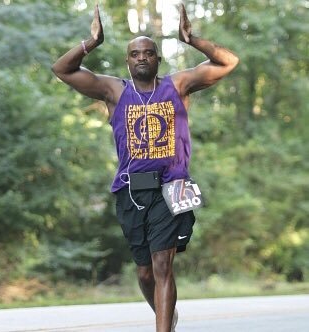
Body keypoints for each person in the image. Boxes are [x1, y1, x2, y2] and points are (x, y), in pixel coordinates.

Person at [52, 3, 239, 332]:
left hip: (173, 187)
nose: (142, 58)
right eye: (135, 54)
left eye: (148, 53)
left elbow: (228, 62)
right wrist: (91, 42)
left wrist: (192, 38)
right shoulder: (113, 90)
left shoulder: (177, 85)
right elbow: (62, 70)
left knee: (163, 266)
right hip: (131, 192)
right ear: (128, 60)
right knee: (144, 272)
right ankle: (165, 314)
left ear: (157, 59)